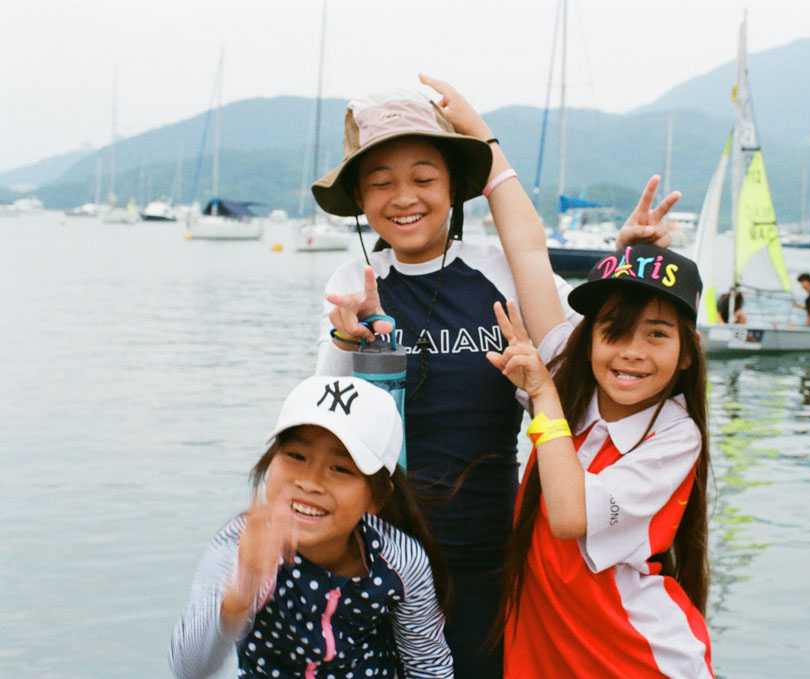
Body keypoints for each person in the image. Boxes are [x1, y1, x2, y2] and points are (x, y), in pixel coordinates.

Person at [309, 76, 679, 677]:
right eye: (380, 183)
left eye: (423, 179)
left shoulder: (498, 273)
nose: (404, 198)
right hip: (375, 552)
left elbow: (585, 354)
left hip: (488, 552)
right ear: (359, 199)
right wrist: (344, 341)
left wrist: (629, 266)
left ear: (455, 186)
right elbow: (324, 421)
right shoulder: (355, 281)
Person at [486, 244, 714, 678]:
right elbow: (529, 254)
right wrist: (630, 251)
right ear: (587, 339)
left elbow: (570, 517)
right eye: (613, 330)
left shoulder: (675, 436)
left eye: (657, 334)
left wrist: (543, 395)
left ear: (688, 351)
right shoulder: (570, 390)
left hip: (638, 658)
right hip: (545, 654)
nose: (632, 351)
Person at [170, 375, 453, 679]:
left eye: (340, 469)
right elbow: (188, 668)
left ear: (377, 498)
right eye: (296, 456)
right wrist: (243, 589)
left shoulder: (399, 559)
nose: (310, 482)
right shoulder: (242, 545)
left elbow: (428, 665)